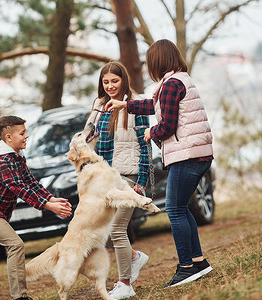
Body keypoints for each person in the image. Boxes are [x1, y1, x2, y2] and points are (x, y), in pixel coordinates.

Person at [106, 39, 214, 288]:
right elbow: (155, 106)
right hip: (198, 154)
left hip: (186, 156)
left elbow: (167, 125)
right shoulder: (180, 79)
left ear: (158, 61)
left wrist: (150, 133)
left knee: (174, 210)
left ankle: (186, 267)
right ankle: (198, 262)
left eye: (150, 61)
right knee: (182, 208)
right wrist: (126, 104)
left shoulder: (171, 84)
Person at [0, 115, 72, 300]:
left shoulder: (16, 157)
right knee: (15, 245)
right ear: (8, 137)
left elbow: (30, 181)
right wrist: (48, 206)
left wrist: (50, 198)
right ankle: (20, 297)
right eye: (22, 133)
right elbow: (19, 188)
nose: (27, 136)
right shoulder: (2, 161)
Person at [86, 60, 150, 299]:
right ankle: (134, 258)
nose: (111, 85)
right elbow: (90, 138)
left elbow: (146, 147)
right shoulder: (100, 105)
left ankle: (125, 284)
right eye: (106, 82)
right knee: (109, 228)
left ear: (123, 80)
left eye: (115, 81)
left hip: (129, 175)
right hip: (106, 177)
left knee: (117, 228)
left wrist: (142, 181)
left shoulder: (135, 106)